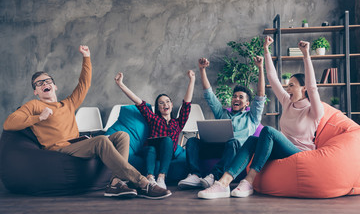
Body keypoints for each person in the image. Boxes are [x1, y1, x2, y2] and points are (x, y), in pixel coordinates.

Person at [3, 45, 171, 200]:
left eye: (47, 81)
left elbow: (84, 84)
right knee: (101, 140)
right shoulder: (34, 105)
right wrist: (38, 118)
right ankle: (142, 183)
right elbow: (9, 124)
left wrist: (87, 58)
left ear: (55, 86)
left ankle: (114, 183)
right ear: (35, 91)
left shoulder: (68, 103)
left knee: (122, 136)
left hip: (78, 144)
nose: (44, 84)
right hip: (59, 149)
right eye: (39, 84)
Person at [197, 36, 324, 199]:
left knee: (269, 131)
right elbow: (272, 78)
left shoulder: (315, 109)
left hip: (300, 152)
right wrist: (265, 49)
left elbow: (313, 88)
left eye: (291, 85)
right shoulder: (287, 102)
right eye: (288, 85)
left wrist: (306, 55)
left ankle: (248, 181)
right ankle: (223, 184)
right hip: (281, 149)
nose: (287, 88)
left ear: (304, 88)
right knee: (252, 140)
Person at [178, 56, 266, 189]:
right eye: (234, 96)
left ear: (247, 103)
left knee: (233, 141)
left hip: (235, 151)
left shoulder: (252, 116)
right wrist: (202, 70)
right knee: (192, 141)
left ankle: (214, 176)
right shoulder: (222, 113)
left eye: (240, 97)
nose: (236, 98)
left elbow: (260, 96)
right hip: (217, 148)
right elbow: (209, 95)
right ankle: (195, 175)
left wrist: (260, 68)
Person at [115, 69, 195, 189]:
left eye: (167, 102)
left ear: (172, 105)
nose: (165, 105)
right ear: (158, 107)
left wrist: (192, 80)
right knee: (150, 148)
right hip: (150, 151)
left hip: (167, 153)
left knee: (168, 140)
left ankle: (161, 177)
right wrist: (121, 84)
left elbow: (186, 104)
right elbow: (138, 102)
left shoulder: (178, 122)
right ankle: (150, 178)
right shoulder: (153, 118)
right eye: (161, 103)